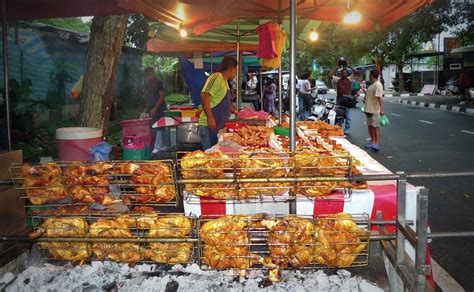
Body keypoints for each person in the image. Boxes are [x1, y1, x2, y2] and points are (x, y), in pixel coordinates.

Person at [198, 56, 238, 150]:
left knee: (216, 156)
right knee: (210, 155)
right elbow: (204, 95)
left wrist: (235, 112)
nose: (236, 73)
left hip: (218, 125)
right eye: (236, 70)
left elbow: (222, 102)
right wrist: (210, 117)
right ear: (231, 69)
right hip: (210, 125)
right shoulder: (216, 77)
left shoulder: (225, 82)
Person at [144, 67, 169, 155]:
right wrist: (145, 110)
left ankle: (158, 147)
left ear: (153, 74)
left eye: (150, 75)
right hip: (152, 107)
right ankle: (164, 145)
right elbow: (149, 98)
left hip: (159, 108)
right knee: (158, 127)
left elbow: (162, 96)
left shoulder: (158, 83)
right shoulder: (148, 84)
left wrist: (155, 108)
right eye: (147, 76)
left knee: (159, 126)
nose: (149, 77)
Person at [363, 69, 385, 152]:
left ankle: (376, 143)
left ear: (372, 75)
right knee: (370, 127)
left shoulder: (378, 84)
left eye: (369, 75)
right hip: (368, 109)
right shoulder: (372, 85)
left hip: (375, 110)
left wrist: (382, 110)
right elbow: (369, 95)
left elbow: (380, 98)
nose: (369, 77)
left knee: (375, 127)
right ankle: (372, 142)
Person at [329, 65, 354, 134]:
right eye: (342, 73)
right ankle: (338, 127)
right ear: (340, 74)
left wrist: (349, 66)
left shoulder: (350, 79)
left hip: (347, 101)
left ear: (347, 74)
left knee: (348, 115)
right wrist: (336, 68)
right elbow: (330, 75)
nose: (344, 74)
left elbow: (356, 73)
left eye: (345, 73)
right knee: (338, 114)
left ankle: (347, 130)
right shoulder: (337, 79)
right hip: (339, 100)